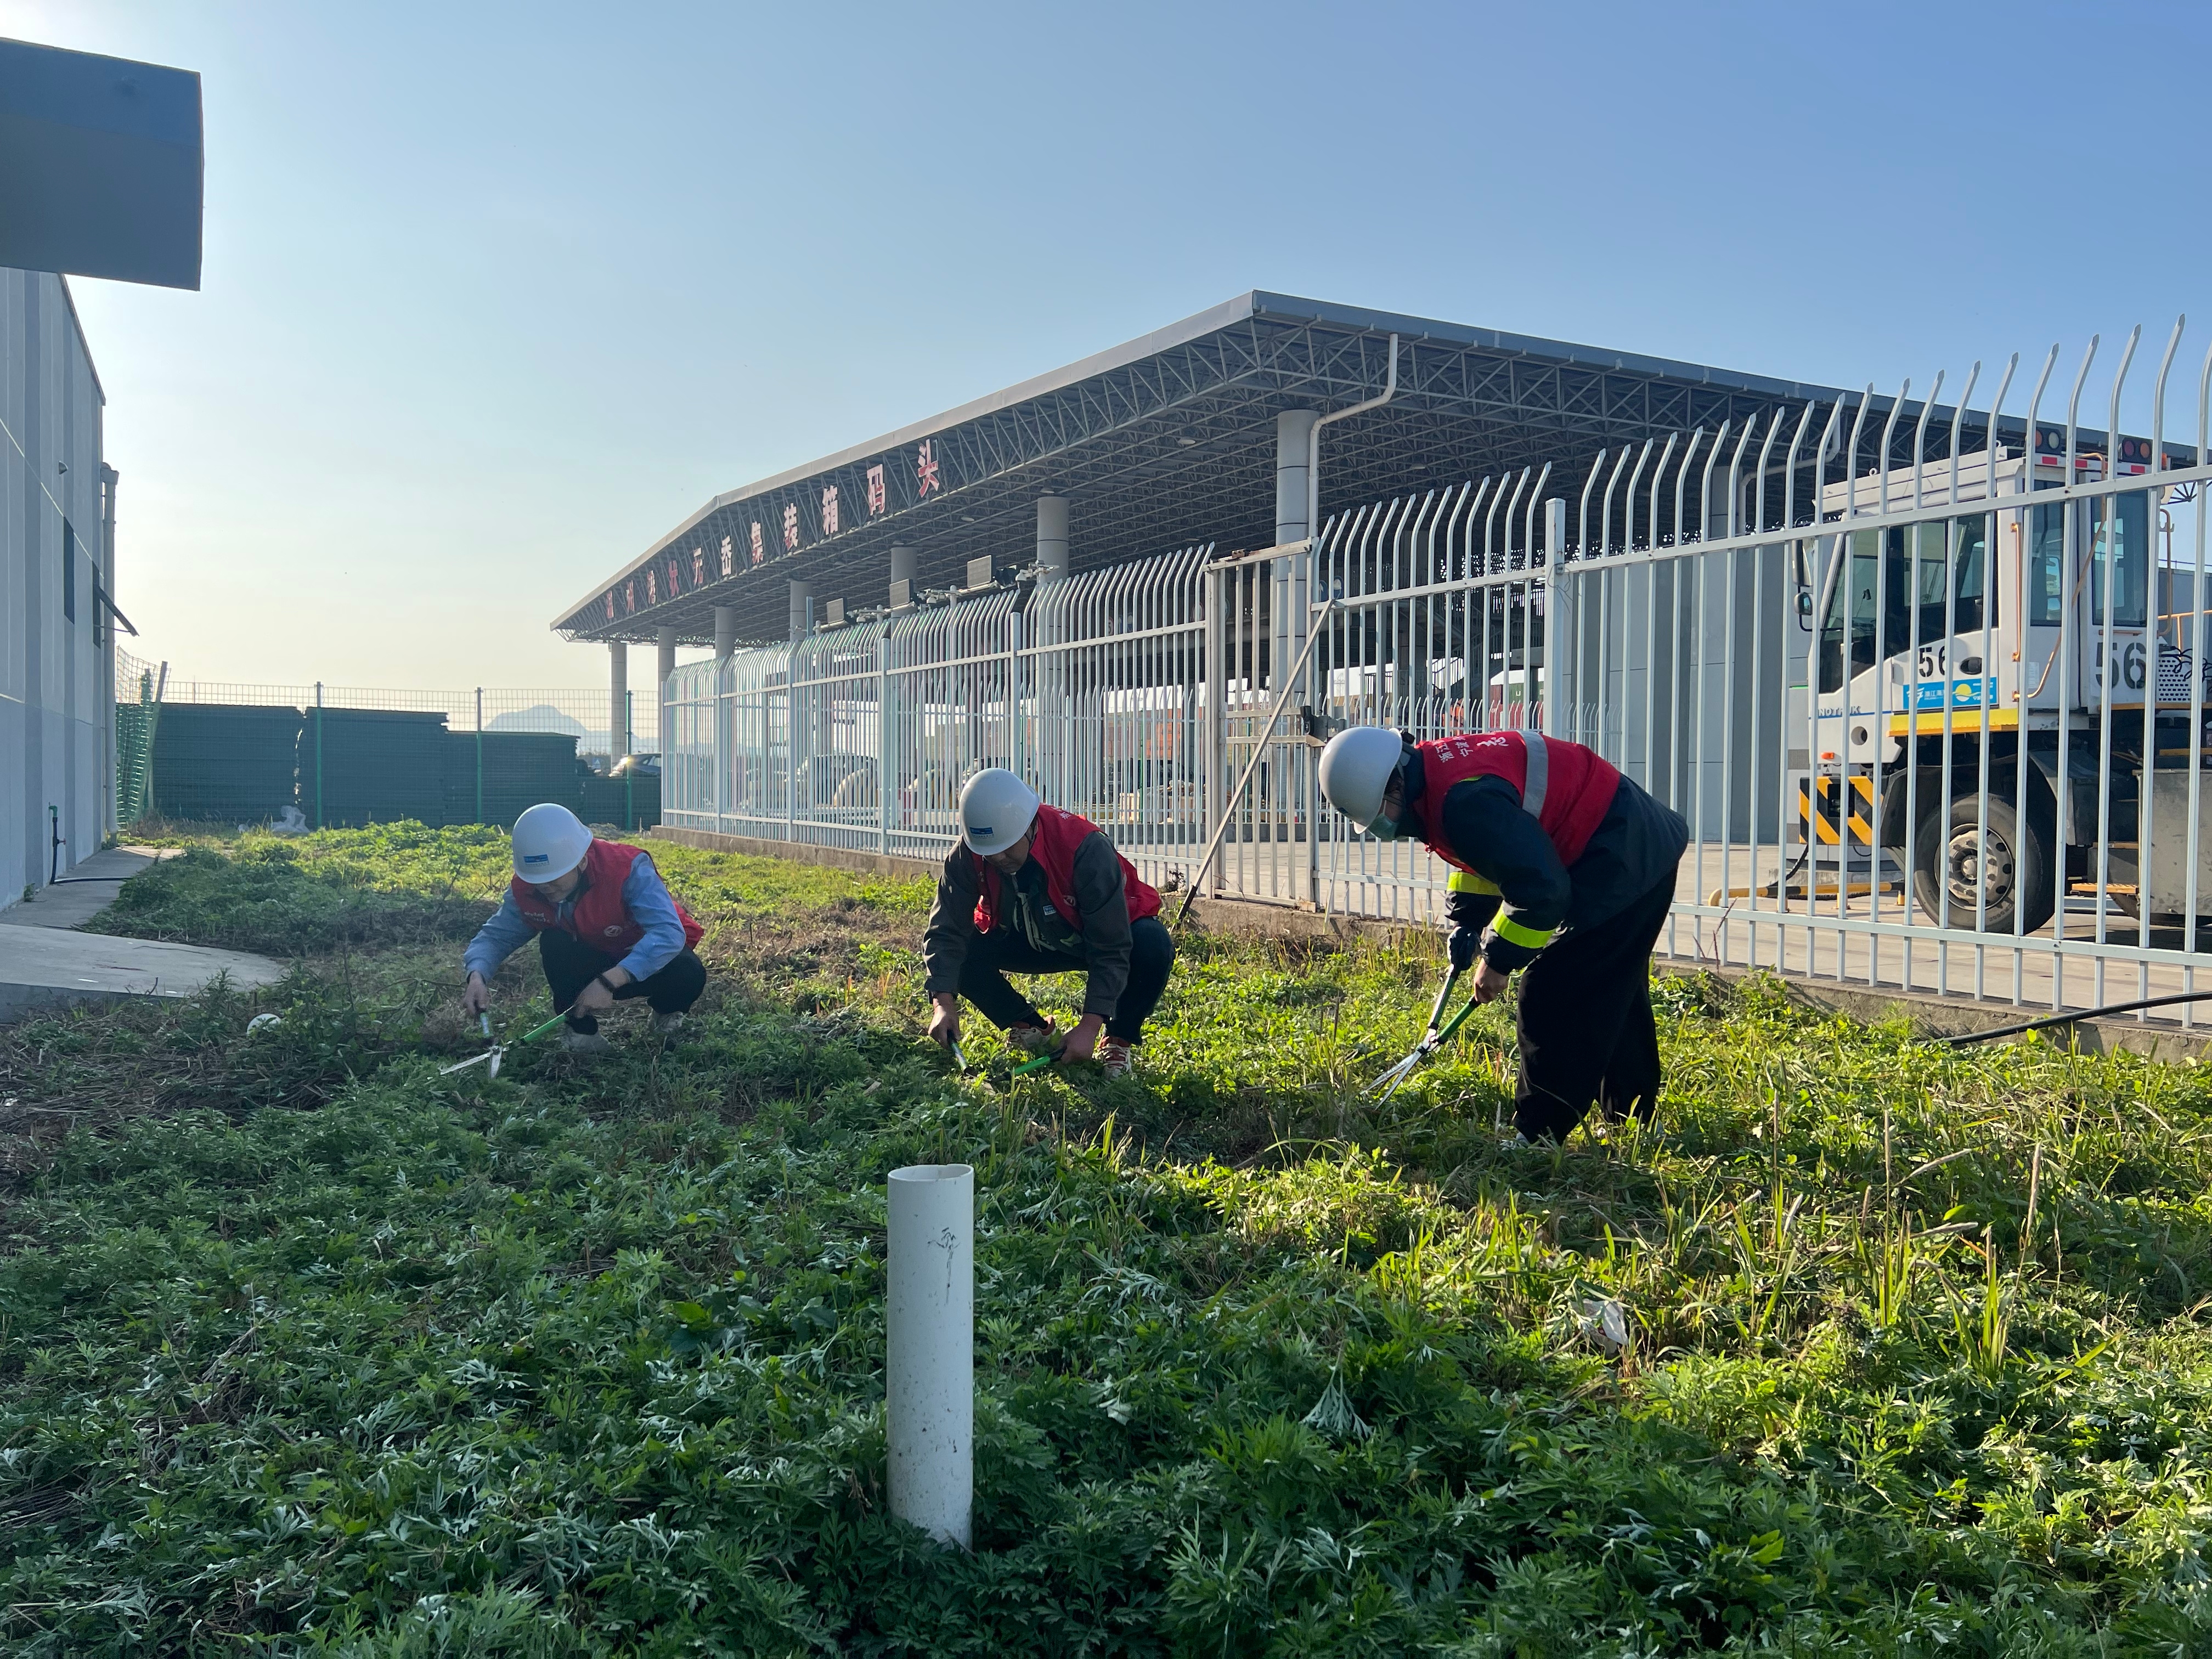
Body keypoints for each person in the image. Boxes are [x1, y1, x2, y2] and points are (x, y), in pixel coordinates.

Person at [1317, 726, 1688, 1143]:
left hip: (1623, 849)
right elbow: (1489, 856)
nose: (1383, 825)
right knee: (1611, 986)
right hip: (1635, 837)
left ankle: (1539, 1135)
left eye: (1380, 811)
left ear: (1396, 784)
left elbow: (1542, 891)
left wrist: (1498, 962)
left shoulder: (1465, 802)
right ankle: (1635, 1121)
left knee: (1553, 991)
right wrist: (1468, 921)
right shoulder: (1440, 774)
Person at [923, 768, 1173, 1078]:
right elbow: (945, 931)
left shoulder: (1085, 847)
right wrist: (943, 1003)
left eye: (1007, 847)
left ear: (1030, 825)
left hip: (1088, 938)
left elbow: (1110, 945)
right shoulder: (969, 853)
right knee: (961, 950)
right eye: (991, 852)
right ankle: (1029, 1026)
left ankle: (1118, 1039)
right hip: (1028, 938)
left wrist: (1089, 1026)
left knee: (1152, 944)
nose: (999, 858)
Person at [460, 802, 706, 1055]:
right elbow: (496, 936)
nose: (544, 887)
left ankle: (666, 1014)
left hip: (641, 956)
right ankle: (582, 1034)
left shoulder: (626, 869)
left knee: (687, 971)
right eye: (537, 880)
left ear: (582, 862)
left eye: (553, 877)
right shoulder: (528, 888)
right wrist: (477, 976)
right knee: (554, 942)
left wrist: (609, 982)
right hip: (591, 957)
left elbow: (667, 933)